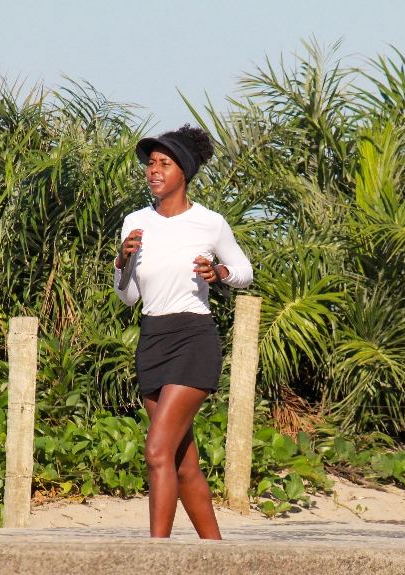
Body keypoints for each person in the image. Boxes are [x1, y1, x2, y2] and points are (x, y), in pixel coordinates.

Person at [114, 125, 253, 539]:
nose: (154, 171)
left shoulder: (209, 223)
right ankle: (216, 553)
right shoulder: (135, 222)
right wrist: (122, 263)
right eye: (151, 164)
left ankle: (156, 557)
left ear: (184, 172)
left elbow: (244, 272)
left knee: (157, 451)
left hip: (193, 338)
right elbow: (129, 298)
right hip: (152, 339)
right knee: (182, 461)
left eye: (164, 164)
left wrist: (220, 272)